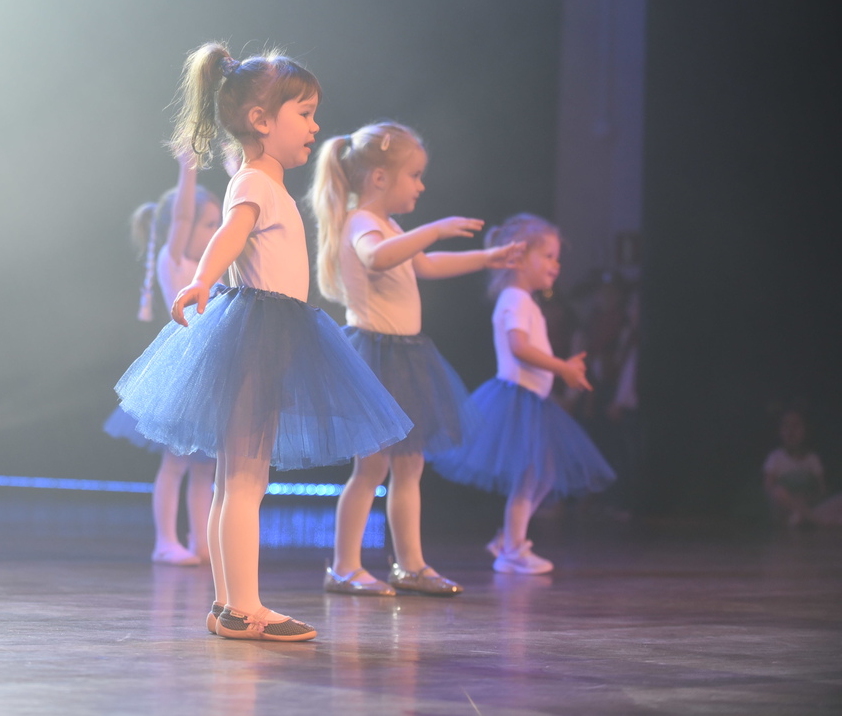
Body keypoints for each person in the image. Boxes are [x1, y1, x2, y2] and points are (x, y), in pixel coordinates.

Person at [115, 44, 409, 641]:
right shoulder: (254, 182)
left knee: (236, 481)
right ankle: (243, 608)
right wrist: (202, 276)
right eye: (304, 113)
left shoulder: (263, 182)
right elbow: (232, 231)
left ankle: (228, 604)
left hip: (267, 332)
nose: (315, 126)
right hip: (260, 332)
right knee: (245, 482)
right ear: (261, 120)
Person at [308, 121, 522, 597]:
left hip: (404, 357)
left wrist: (486, 258)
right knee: (371, 469)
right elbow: (377, 258)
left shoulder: (391, 226)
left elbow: (423, 264)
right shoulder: (361, 222)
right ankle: (344, 567)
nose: (421, 186)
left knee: (410, 466)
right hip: (376, 357)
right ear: (380, 177)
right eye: (415, 175)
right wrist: (434, 230)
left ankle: (411, 565)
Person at [432, 214, 614, 574]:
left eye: (557, 257)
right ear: (517, 258)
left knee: (541, 475)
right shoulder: (515, 298)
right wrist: (562, 367)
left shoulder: (523, 300)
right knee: (530, 476)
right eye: (547, 256)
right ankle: (513, 549)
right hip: (518, 400)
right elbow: (519, 347)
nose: (556, 265)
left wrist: (561, 369)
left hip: (531, 400)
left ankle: (509, 539)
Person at [104, 154, 219, 565]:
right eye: (209, 225)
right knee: (176, 462)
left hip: (210, 370)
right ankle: (165, 541)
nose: (215, 232)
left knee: (205, 467)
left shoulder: (211, 267)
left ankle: (201, 542)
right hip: (183, 370)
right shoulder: (176, 259)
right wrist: (189, 167)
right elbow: (183, 216)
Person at [764, 408, 842, 527]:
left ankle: (807, 519)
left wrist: (806, 498)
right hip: (786, 513)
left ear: (805, 429)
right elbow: (769, 489)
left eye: (796, 425)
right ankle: (818, 521)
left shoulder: (813, 459)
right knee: (778, 491)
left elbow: (822, 489)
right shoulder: (775, 457)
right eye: (786, 425)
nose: (791, 431)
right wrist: (791, 500)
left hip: (809, 508)